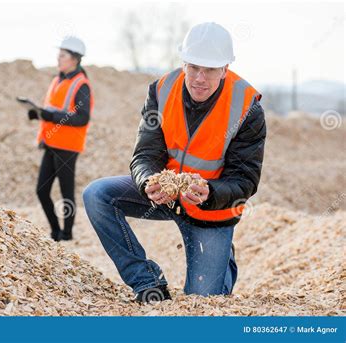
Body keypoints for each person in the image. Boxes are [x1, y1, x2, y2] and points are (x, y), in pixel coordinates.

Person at [83, 22, 266, 303]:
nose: (199, 78)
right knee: (97, 195)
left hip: (211, 210)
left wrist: (211, 193)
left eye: (210, 69)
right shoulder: (161, 90)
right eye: (193, 67)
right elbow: (145, 154)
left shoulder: (247, 107)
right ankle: (146, 281)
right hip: (166, 196)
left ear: (225, 69)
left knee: (204, 301)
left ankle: (222, 253)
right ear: (183, 63)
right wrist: (148, 182)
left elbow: (245, 180)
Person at [25, 36, 93, 242]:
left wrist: (49, 116)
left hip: (68, 146)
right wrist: (37, 113)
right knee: (42, 191)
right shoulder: (57, 80)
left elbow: (82, 118)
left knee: (66, 193)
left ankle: (67, 234)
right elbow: (53, 109)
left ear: (74, 59)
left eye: (62, 55)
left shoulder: (81, 85)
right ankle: (55, 231)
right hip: (50, 143)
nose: (58, 58)